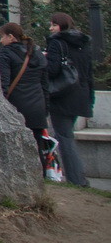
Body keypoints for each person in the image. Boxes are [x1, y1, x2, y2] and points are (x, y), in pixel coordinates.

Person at [47, 12, 95, 187]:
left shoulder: (57, 42)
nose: (51, 28)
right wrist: (90, 99)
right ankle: (76, 178)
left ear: (61, 26)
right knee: (66, 135)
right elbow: (89, 73)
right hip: (80, 95)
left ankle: (77, 180)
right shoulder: (83, 44)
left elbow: (52, 70)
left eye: (53, 25)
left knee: (64, 137)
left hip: (62, 95)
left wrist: (44, 60)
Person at [0, 23, 50, 175]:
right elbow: (45, 84)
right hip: (37, 105)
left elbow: (3, 82)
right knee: (37, 145)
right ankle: (40, 176)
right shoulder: (36, 52)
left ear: (11, 37)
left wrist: (1, 105)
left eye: (2, 37)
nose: (1, 40)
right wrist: (45, 107)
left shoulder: (5, 53)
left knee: (14, 147)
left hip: (17, 106)